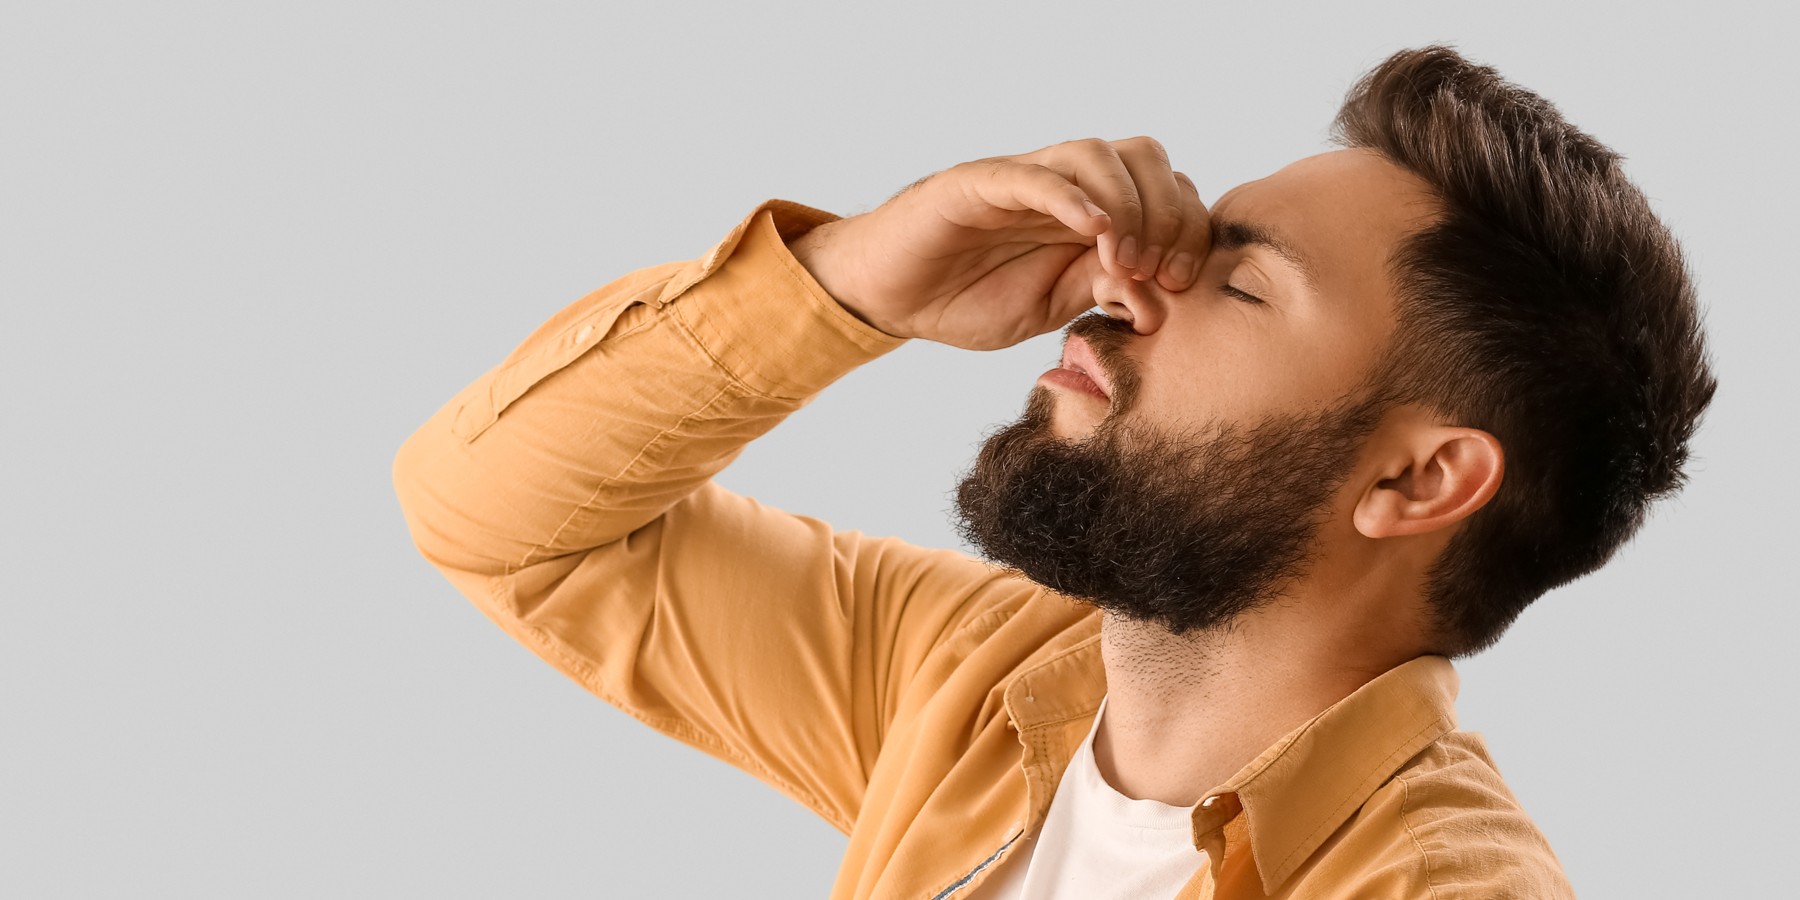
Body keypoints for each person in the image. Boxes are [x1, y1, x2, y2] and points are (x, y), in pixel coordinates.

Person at [392, 44, 1715, 899]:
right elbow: (503, 521)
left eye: (1241, 286)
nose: (1125, 287)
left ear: (1418, 482)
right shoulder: (971, 680)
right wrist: (848, 283)